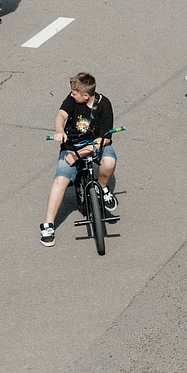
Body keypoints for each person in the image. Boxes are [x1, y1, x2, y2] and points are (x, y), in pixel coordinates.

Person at [40, 72, 117, 246]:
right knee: (60, 180)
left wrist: (78, 155)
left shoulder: (104, 105)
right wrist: (60, 130)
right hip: (71, 145)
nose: (71, 95)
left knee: (110, 161)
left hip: (96, 145)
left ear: (86, 95)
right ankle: (48, 224)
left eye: (75, 93)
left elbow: (105, 139)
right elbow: (61, 115)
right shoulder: (73, 98)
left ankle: (102, 189)